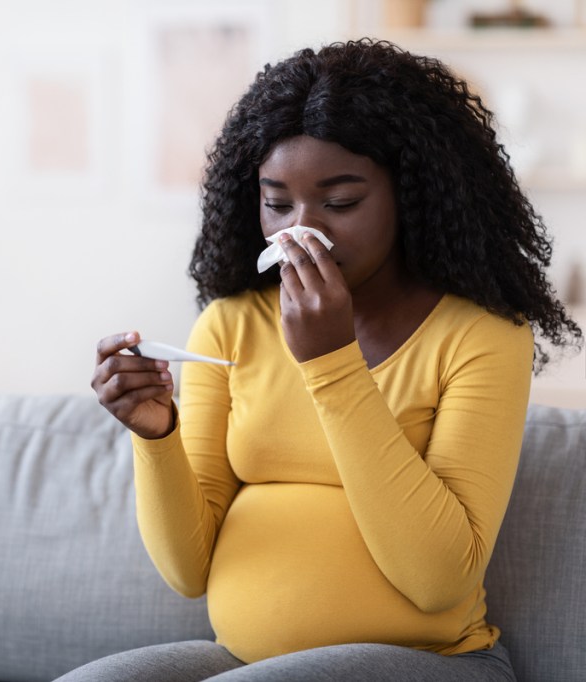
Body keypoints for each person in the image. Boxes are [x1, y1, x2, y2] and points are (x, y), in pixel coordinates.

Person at [70, 39, 582, 681]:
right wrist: (158, 437)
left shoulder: (479, 336)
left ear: (413, 195)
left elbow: (439, 581)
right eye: (277, 202)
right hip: (245, 661)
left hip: (433, 662)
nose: (299, 232)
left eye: (340, 203)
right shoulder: (229, 325)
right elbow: (186, 571)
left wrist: (333, 364)